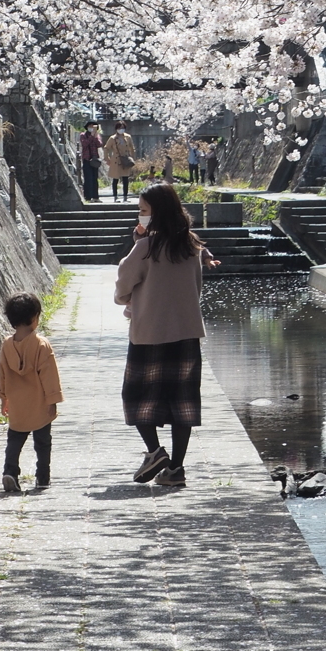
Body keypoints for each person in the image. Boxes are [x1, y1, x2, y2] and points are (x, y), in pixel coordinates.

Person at [115, 185, 217, 488]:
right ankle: (176, 469)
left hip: (149, 334)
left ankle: (154, 451)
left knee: (137, 398)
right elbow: (196, 288)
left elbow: (124, 283)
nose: (140, 215)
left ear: (156, 212)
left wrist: (139, 243)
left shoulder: (147, 247)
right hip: (186, 334)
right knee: (181, 403)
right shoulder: (191, 246)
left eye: (143, 210)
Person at [0, 292, 64, 494]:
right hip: (39, 402)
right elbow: (49, 375)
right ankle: (42, 477)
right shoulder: (41, 344)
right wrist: (53, 400)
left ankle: (10, 471)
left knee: (14, 441)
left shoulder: (7, 345)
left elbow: (3, 373)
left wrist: (4, 398)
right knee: (43, 443)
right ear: (34, 317)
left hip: (17, 404)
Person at [104, 120, 137, 202]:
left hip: (125, 159)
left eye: (123, 128)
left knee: (125, 179)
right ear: (116, 129)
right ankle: (115, 197)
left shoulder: (128, 137)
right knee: (115, 179)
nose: (121, 129)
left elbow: (132, 148)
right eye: (119, 128)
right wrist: (107, 158)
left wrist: (132, 158)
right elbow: (106, 148)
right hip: (116, 160)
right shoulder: (112, 138)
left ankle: (125, 197)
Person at [79, 120, 103, 202]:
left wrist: (95, 136)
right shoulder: (83, 135)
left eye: (93, 126)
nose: (92, 128)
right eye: (90, 126)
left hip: (95, 160)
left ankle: (96, 197)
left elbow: (99, 144)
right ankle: (88, 197)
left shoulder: (97, 135)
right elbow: (84, 144)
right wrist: (91, 136)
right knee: (88, 178)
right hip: (86, 159)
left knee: (94, 178)